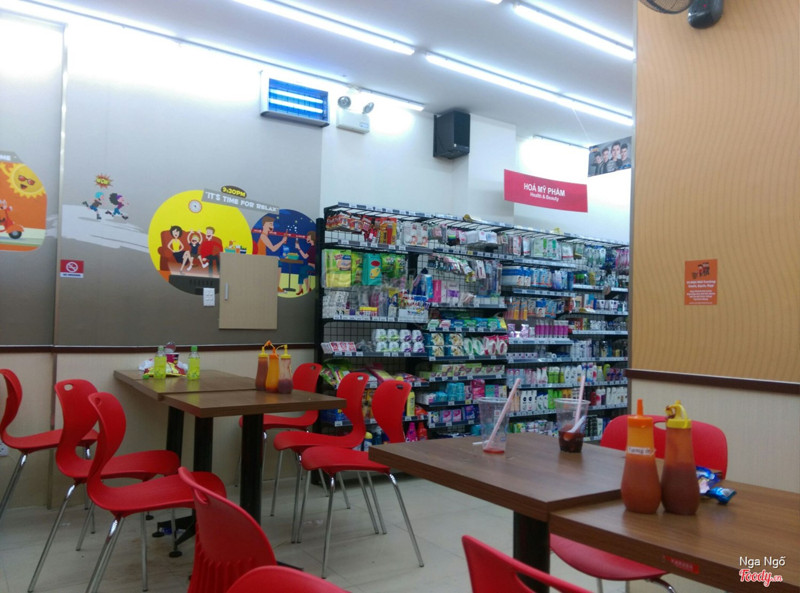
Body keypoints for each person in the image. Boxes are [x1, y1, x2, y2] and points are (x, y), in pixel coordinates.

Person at [294, 230, 316, 296]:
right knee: (302, 272)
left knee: (302, 270)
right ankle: (301, 289)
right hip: (309, 267)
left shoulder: (313, 248)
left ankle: (306, 288)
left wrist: (299, 248)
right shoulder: (312, 247)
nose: (306, 238)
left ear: (312, 238)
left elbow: (305, 256)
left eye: (308, 237)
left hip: (312, 267)